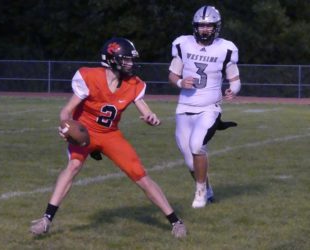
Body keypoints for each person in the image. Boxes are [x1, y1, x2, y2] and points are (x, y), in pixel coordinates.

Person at [30, 37, 187, 238]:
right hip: (84, 132)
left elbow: (145, 109)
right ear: (112, 59)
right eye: (126, 59)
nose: (131, 63)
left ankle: (175, 221)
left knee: (140, 175)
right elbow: (66, 110)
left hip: (110, 134)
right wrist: (64, 126)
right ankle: (46, 220)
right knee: (73, 166)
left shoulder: (134, 84)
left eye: (131, 60)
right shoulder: (89, 77)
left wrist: (151, 117)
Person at [168, 6, 241, 208]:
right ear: (195, 26)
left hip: (209, 107)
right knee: (190, 162)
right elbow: (173, 75)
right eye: (201, 25)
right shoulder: (183, 44)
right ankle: (207, 189)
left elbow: (235, 79)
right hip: (184, 107)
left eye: (209, 25)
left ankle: (199, 193)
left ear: (216, 27)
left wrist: (233, 90)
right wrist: (181, 83)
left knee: (197, 146)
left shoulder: (225, 48)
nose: (205, 29)